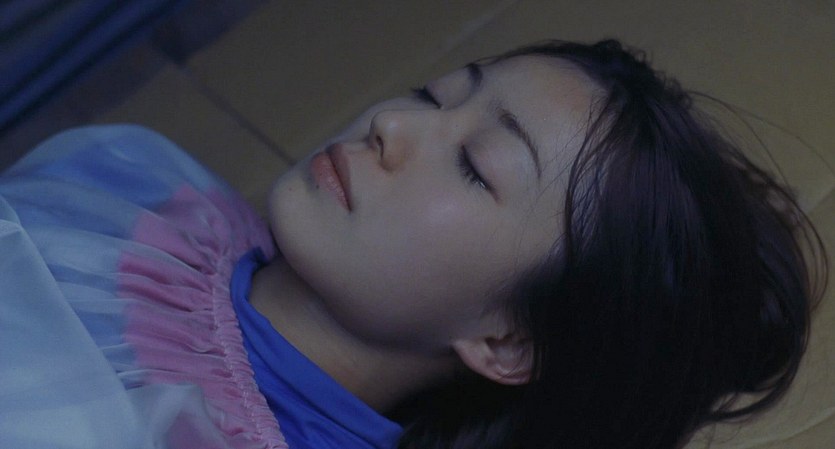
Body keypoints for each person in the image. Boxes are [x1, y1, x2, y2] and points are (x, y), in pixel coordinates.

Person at [0, 39, 826, 449]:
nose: (392, 123)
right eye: (434, 96)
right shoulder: (139, 180)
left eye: (474, 165)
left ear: (505, 340)